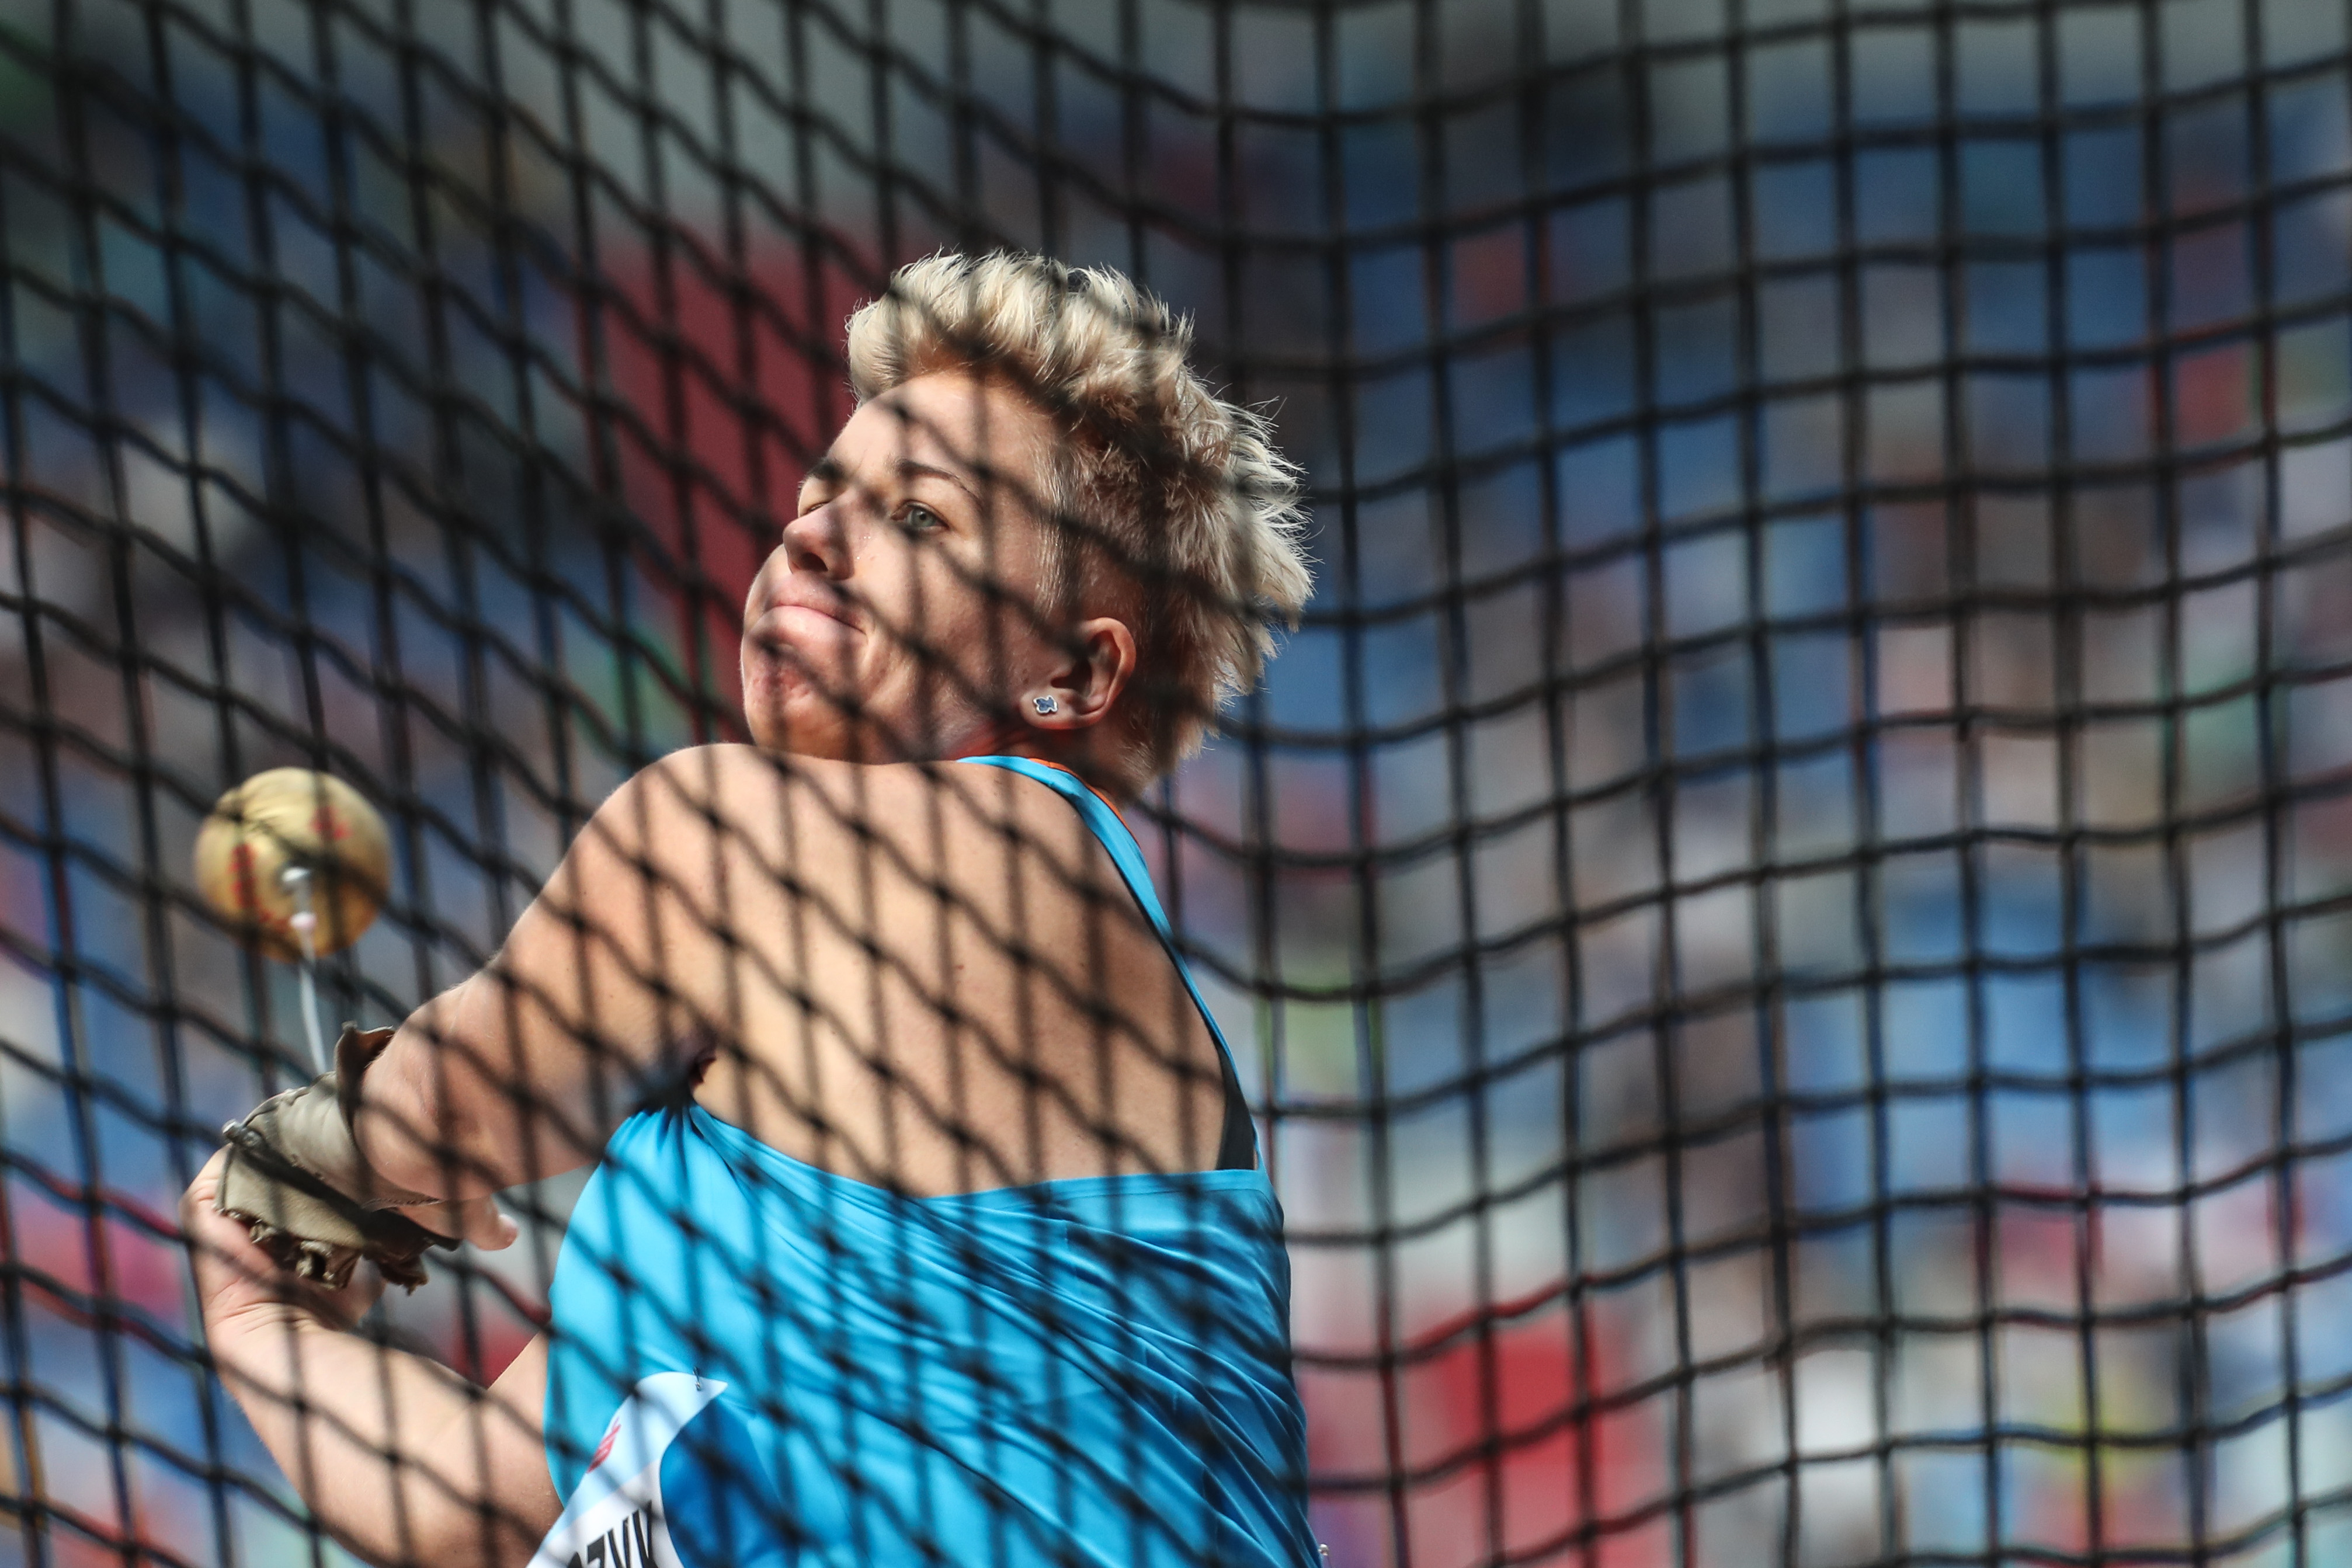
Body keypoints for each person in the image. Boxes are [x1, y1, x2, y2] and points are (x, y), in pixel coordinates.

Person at [180, 251, 1319, 1568]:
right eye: (817, 496)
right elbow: (460, 1503)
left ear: (1071, 670)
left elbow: (454, 1114)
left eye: (922, 520)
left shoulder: (947, 849)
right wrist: (259, 1314)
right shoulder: (719, 1166)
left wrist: (283, 1161)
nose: (808, 535)